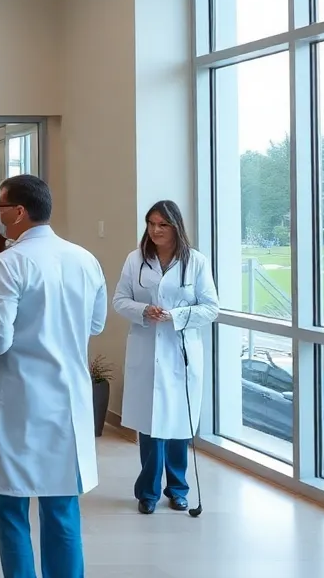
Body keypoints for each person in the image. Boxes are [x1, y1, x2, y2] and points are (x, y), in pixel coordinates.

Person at [0, 174, 108, 578]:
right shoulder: (85, 259)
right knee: (61, 509)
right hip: (67, 403)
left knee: (10, 509)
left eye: (0, 207)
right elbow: (95, 324)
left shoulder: (10, 262)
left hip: (20, 402)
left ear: (19, 212)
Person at [113, 199, 219, 514]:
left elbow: (211, 308)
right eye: (151, 224)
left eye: (162, 225)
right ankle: (147, 492)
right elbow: (120, 300)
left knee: (178, 425)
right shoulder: (135, 259)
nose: (155, 230)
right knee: (149, 426)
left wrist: (176, 315)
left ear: (176, 227)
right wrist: (143, 310)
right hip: (146, 349)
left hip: (179, 352)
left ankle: (177, 489)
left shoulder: (195, 262)